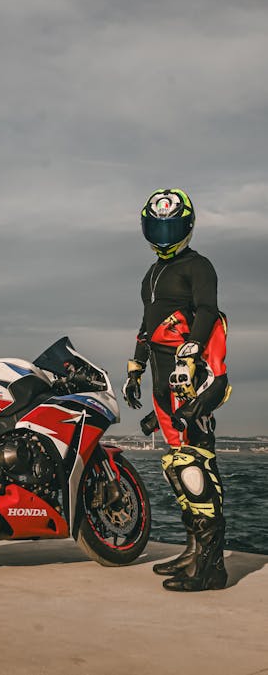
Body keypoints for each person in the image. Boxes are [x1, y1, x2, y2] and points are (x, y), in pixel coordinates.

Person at [123, 188, 231, 592]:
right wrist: (135, 366)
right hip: (159, 380)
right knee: (176, 467)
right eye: (157, 226)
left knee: (195, 465)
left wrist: (195, 347)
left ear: (187, 225)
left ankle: (211, 567)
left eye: (170, 226)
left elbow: (207, 310)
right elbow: (147, 324)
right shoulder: (152, 273)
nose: (163, 235)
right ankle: (192, 550)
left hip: (190, 378)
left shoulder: (198, 266)